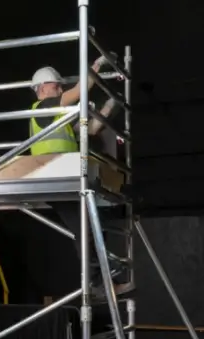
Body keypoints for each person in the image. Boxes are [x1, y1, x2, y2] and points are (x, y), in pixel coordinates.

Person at [28, 59, 130, 297]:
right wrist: (96, 66)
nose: (60, 89)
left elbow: (91, 130)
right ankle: (97, 283)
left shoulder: (56, 119)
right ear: (42, 88)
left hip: (66, 179)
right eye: (56, 85)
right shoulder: (42, 109)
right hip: (52, 179)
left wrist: (108, 108)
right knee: (85, 229)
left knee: (89, 227)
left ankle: (100, 281)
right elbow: (77, 92)